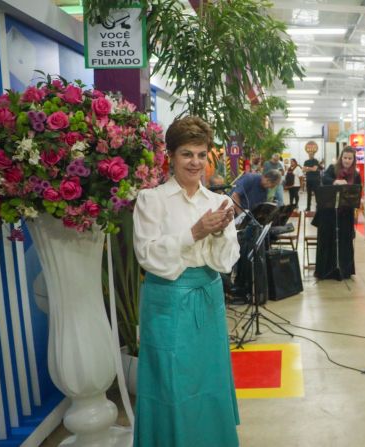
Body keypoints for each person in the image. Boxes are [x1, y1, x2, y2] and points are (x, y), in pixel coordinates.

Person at [132, 116, 240, 446]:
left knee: (210, 378)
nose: (195, 162)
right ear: (171, 156)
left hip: (207, 301)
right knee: (171, 381)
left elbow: (225, 260)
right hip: (167, 303)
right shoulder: (151, 200)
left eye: (200, 154)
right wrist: (195, 232)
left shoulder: (216, 202)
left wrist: (220, 233)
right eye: (186, 154)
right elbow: (147, 255)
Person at [313, 147, 361, 280]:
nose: (347, 160)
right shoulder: (332, 168)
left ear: (353, 159)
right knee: (328, 239)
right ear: (341, 158)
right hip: (329, 212)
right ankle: (326, 270)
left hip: (346, 213)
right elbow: (324, 178)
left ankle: (344, 270)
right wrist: (335, 181)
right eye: (345, 158)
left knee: (344, 240)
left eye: (350, 158)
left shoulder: (356, 174)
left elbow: (358, 191)